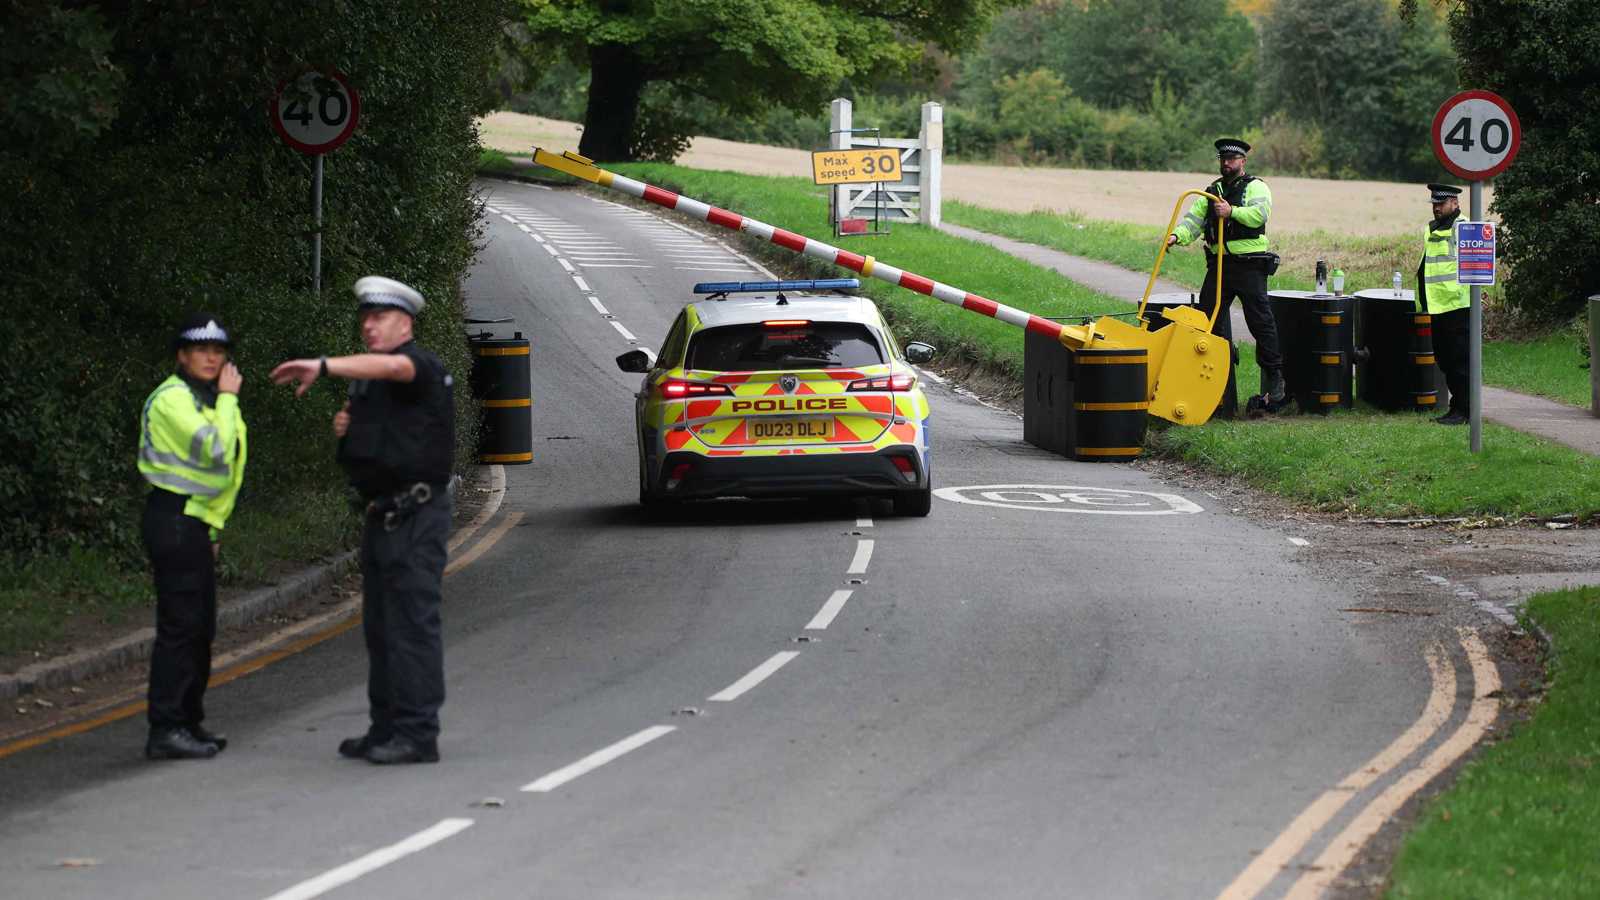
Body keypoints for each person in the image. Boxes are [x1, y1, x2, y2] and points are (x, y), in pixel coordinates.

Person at [270, 276, 455, 764]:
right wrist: (347, 432)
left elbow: (395, 366)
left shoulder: (417, 365)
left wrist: (322, 365)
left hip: (418, 515)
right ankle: (385, 726)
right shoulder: (371, 382)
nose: (370, 325)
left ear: (406, 324)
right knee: (380, 626)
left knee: (413, 624)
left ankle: (418, 733)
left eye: (381, 317)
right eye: (366, 318)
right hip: (382, 514)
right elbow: (373, 447)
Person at [138, 314, 247, 760]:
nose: (211, 357)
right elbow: (218, 451)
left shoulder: (204, 401)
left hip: (195, 524)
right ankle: (166, 728)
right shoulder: (174, 400)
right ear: (181, 356)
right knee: (181, 628)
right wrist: (228, 400)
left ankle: (188, 722)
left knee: (200, 628)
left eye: (218, 351)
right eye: (201, 350)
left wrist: (214, 528)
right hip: (173, 520)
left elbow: (222, 476)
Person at [1167, 138, 1287, 413]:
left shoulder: (1257, 187)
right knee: (1206, 318)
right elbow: (1193, 223)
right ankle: (1217, 368)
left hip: (1249, 265)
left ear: (1243, 161)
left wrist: (1231, 211)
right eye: (1223, 159)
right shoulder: (1211, 191)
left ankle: (1276, 378)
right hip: (1219, 265)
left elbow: (1259, 214)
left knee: (1260, 321)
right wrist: (1177, 236)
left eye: (1232, 159)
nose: (1227, 163)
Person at [1419, 183, 1469, 425]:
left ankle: (1464, 411)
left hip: (1457, 307)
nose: (1437, 208)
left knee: (1459, 362)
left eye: (1442, 203)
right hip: (1438, 306)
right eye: (1434, 204)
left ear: (1455, 203)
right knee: (1446, 361)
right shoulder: (1433, 229)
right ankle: (1456, 407)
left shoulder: (1463, 228)